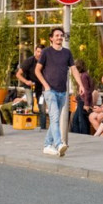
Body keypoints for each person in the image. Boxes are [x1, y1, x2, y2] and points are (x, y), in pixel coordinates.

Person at [36, 27, 80, 157]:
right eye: (57, 35)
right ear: (51, 38)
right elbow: (37, 70)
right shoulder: (46, 52)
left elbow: (74, 70)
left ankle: (47, 145)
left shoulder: (67, 53)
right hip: (50, 91)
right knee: (55, 118)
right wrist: (45, 85)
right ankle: (59, 144)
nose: (59, 37)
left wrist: (81, 85)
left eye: (61, 35)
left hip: (62, 92)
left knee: (55, 119)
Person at [15, 46, 45, 124]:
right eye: (38, 51)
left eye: (41, 52)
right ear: (35, 51)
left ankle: (43, 127)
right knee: (30, 104)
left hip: (40, 86)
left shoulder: (45, 61)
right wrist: (26, 81)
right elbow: (18, 74)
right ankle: (29, 125)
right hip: (29, 85)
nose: (39, 54)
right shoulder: (29, 61)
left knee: (42, 107)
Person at [69, 60, 94, 136]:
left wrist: (86, 104)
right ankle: (77, 135)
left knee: (82, 120)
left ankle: (84, 135)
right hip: (81, 100)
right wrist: (77, 97)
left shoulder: (83, 76)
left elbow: (87, 90)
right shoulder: (83, 75)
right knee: (76, 119)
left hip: (83, 101)